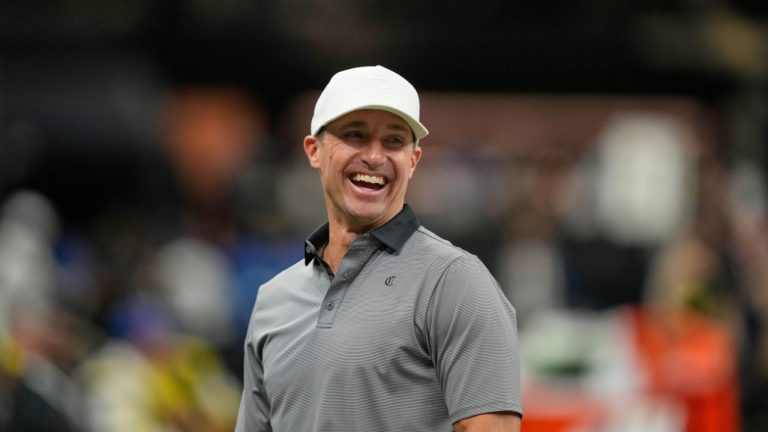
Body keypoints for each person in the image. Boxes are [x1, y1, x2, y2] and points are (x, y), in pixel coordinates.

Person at [235, 65, 522, 431]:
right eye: (355, 135)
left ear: (413, 161)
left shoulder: (454, 282)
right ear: (314, 150)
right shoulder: (273, 300)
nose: (374, 156)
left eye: (394, 141)